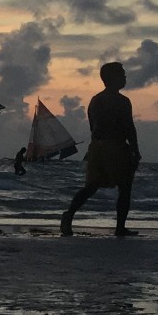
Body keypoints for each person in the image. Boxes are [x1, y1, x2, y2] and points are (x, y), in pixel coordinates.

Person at [60, 62, 139, 236]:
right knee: (125, 187)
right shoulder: (122, 101)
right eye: (122, 75)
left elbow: (93, 127)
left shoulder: (95, 100)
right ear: (112, 78)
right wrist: (135, 150)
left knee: (91, 186)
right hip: (115, 147)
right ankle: (120, 227)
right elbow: (129, 127)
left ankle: (69, 215)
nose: (125, 78)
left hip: (97, 147)